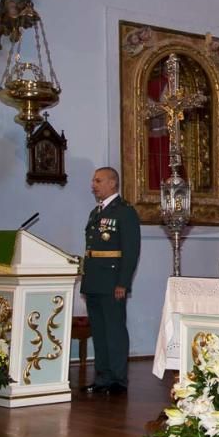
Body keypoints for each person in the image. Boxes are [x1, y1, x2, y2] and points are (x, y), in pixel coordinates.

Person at [81, 167, 141, 395]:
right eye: (93, 180)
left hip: (112, 281)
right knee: (99, 331)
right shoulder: (95, 212)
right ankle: (103, 377)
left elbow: (131, 250)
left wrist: (123, 283)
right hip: (95, 280)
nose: (93, 185)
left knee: (114, 331)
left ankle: (117, 379)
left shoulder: (124, 212)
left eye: (98, 180)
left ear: (112, 183)